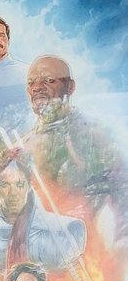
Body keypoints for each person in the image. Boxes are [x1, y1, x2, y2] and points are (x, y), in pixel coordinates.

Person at [23, 54, 128, 249]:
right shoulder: (23, 143)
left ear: (69, 87)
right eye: (31, 83)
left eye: (48, 80)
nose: (36, 87)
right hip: (39, 251)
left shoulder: (96, 135)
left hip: (92, 247)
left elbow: (123, 192)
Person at [0, 156, 87, 281]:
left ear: (29, 187)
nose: (13, 193)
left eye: (19, 184)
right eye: (5, 185)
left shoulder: (64, 230)